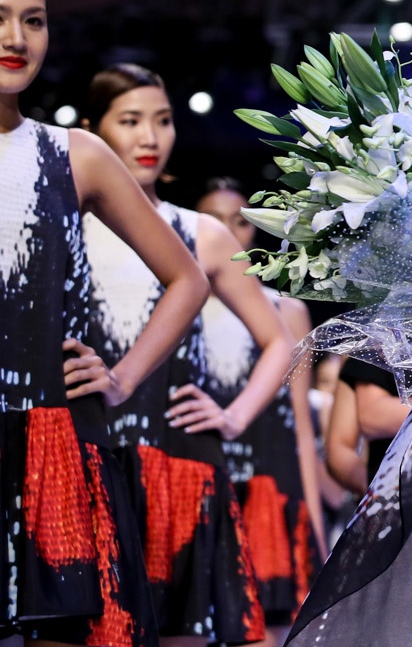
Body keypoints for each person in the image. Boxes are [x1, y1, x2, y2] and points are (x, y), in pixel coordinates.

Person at [1, 0, 208, 647]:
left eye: (33, 20)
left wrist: (120, 378)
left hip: (55, 445)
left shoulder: (75, 155)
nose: (16, 37)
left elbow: (188, 278)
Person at [82, 63, 294, 647]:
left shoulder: (200, 232)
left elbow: (280, 340)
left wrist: (234, 416)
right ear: (91, 131)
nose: (149, 137)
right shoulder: (67, 222)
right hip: (90, 457)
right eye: (130, 121)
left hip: (179, 462)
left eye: (163, 120)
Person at [196, 177, 328, 640]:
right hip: (205, 480)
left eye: (239, 221)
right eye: (214, 220)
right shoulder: (180, 299)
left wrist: (314, 522)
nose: (229, 231)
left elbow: (301, 426)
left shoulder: (286, 311)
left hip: (268, 489)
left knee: (269, 627)